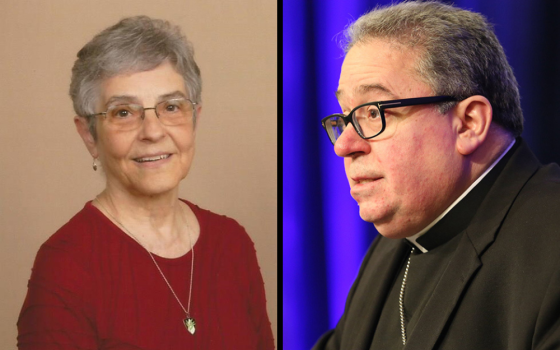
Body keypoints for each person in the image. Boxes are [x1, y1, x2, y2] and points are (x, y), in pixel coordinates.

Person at [17, 16, 274, 350]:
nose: (153, 131)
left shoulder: (232, 244)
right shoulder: (66, 266)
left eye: (171, 107)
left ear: (194, 120)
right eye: (123, 112)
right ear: (89, 135)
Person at [314, 2, 560, 349]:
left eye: (373, 112)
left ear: (469, 123)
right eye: (345, 116)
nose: (345, 145)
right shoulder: (390, 249)